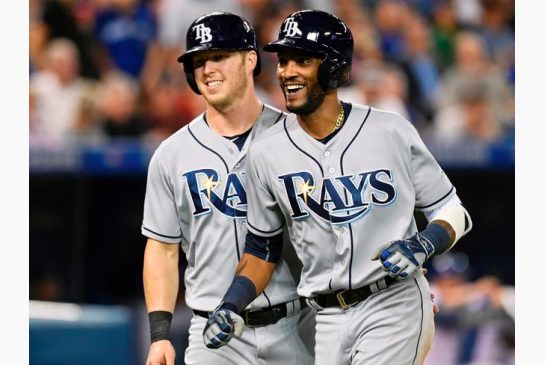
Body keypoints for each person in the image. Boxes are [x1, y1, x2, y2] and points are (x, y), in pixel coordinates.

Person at [203, 9, 473, 365]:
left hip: (393, 303)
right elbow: (262, 249)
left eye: (302, 59)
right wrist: (231, 304)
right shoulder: (265, 152)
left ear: (333, 65)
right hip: (326, 318)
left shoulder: (390, 130)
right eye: (283, 61)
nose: (287, 71)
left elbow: (453, 210)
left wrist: (423, 243)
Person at [141, 12, 315, 365]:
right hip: (214, 335)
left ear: (250, 60)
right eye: (198, 61)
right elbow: (161, 249)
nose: (207, 69)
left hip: (298, 324)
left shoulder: (299, 138)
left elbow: (344, 223)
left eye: (218, 56)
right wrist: (159, 335)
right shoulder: (172, 154)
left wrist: (401, 293)